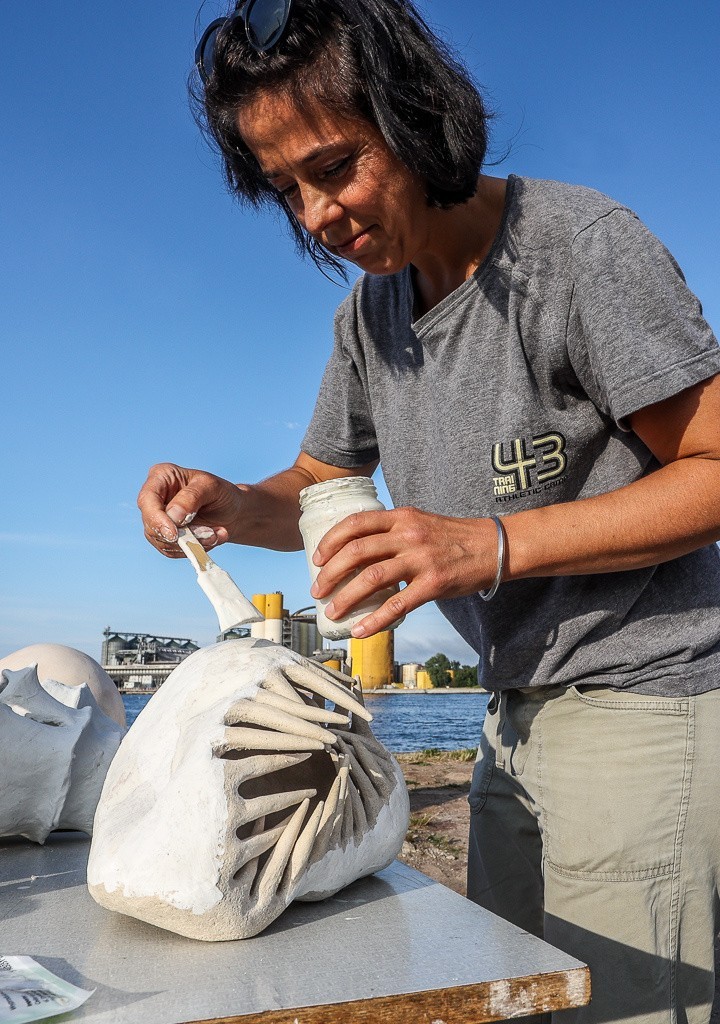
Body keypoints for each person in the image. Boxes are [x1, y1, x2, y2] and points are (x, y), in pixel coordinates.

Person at [137, 0, 720, 1019]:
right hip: (509, 718)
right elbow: (319, 488)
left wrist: (486, 545)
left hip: (649, 705)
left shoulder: (580, 250)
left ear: (416, 116)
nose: (316, 215)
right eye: (285, 191)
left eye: (333, 167)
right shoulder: (372, 312)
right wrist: (228, 502)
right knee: (514, 997)